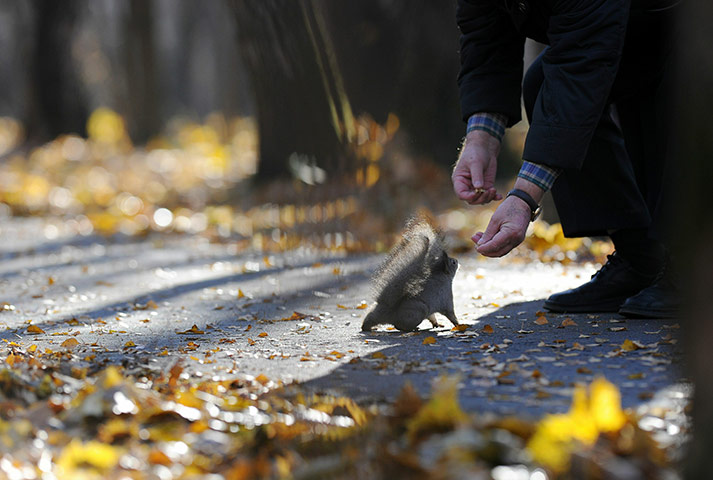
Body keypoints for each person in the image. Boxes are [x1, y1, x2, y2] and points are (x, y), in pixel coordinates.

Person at [452, 0, 680, 318]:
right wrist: (480, 138)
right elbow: (485, 38)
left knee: (687, 86)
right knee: (542, 84)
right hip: (632, 22)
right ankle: (640, 259)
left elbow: (578, 72)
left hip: (689, 23)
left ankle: (691, 267)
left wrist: (523, 196)